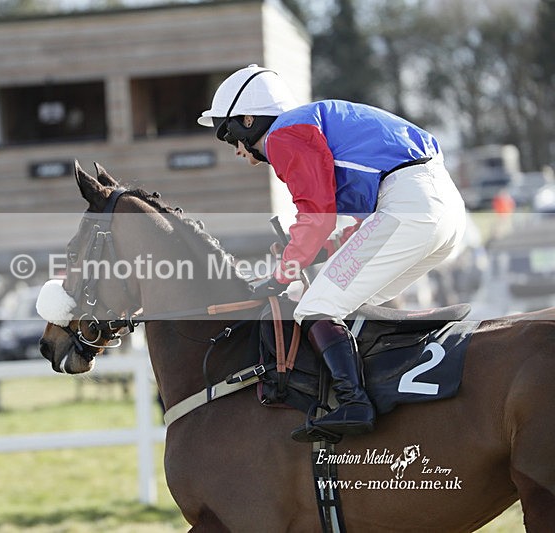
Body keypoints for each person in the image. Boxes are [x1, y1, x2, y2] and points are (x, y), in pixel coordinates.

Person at [198, 64, 466, 441]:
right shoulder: (315, 127)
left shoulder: (283, 134)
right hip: (441, 210)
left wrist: (281, 274)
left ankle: (353, 403)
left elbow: (316, 215)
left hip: (412, 206)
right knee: (348, 305)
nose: (238, 151)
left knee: (316, 307)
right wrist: (311, 252)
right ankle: (385, 393)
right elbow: (349, 228)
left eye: (229, 136)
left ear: (248, 119)